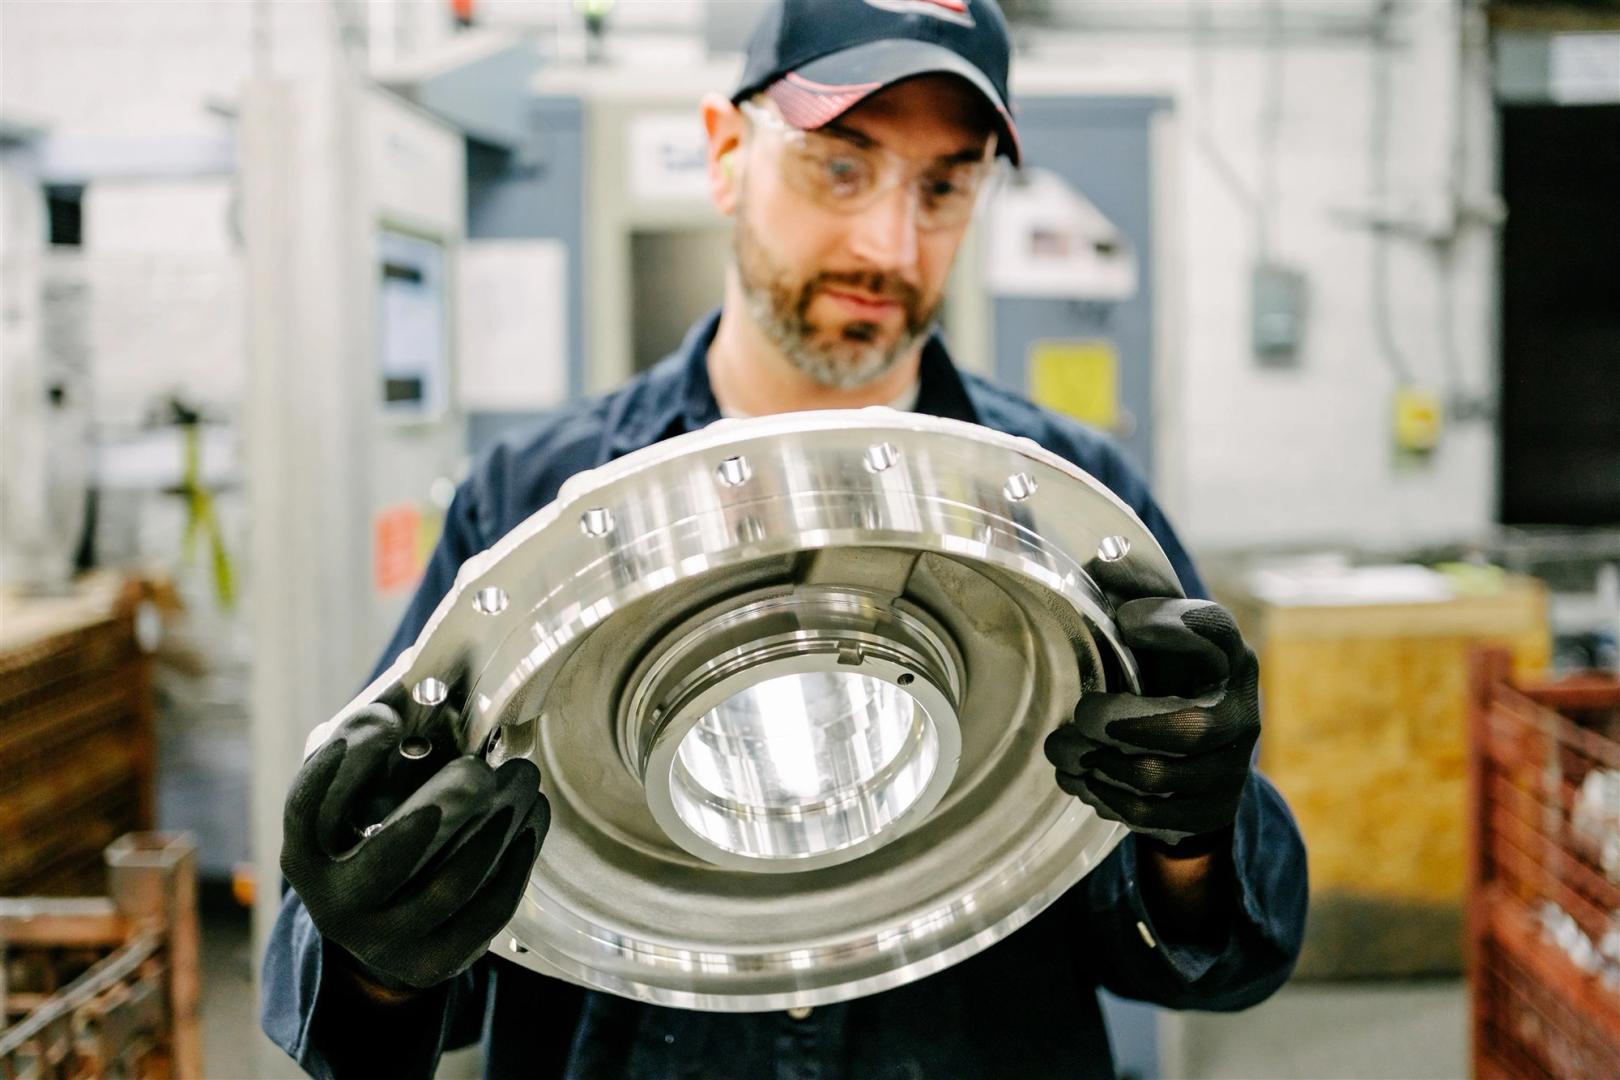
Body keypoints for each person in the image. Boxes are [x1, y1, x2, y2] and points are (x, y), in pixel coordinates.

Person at [262, 1, 1308, 1076]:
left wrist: (1191, 835)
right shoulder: (532, 505)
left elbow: (1218, 962)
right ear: (726, 154)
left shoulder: (1068, 506)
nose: (890, 245)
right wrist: (381, 953)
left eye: (943, 187)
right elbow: (393, 985)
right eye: (840, 167)